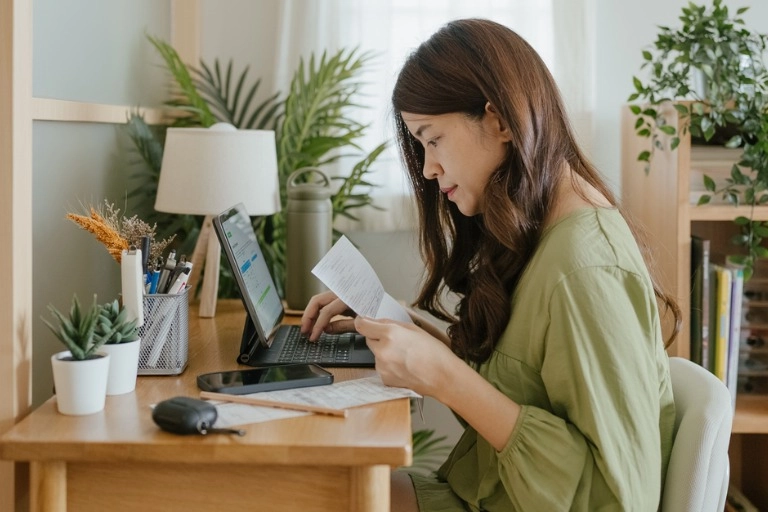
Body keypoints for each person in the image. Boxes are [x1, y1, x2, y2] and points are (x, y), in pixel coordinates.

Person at [301, 18, 681, 512]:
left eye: (432, 139)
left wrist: (446, 378)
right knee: (309, 489)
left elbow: (618, 498)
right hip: (481, 495)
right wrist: (413, 330)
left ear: (499, 121)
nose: (427, 168)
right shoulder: (542, 230)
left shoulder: (586, 270)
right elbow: (520, 392)